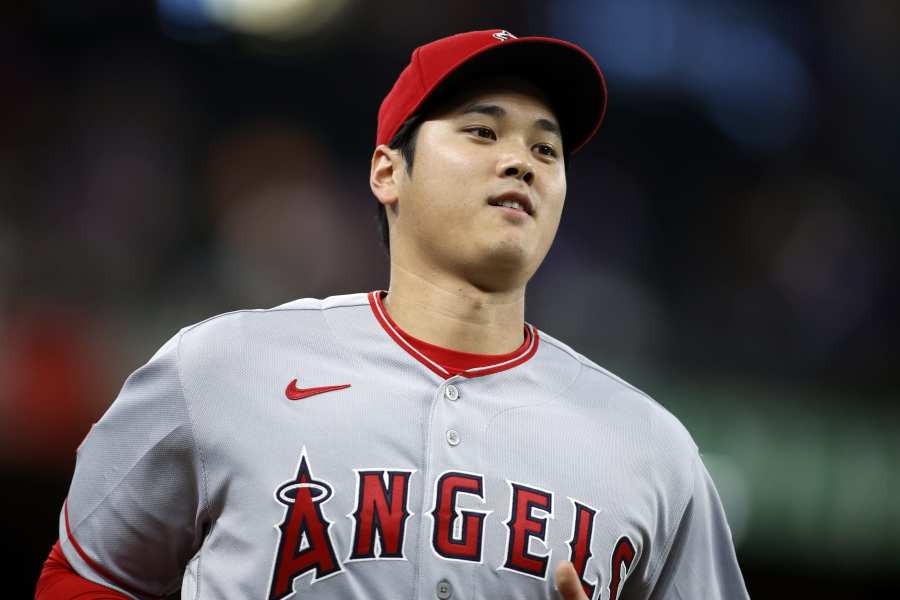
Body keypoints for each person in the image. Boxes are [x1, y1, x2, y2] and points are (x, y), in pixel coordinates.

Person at [36, 29, 749, 600]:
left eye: (545, 147)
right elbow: (89, 573)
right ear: (387, 171)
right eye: (481, 131)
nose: (522, 162)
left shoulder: (652, 450)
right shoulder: (223, 366)